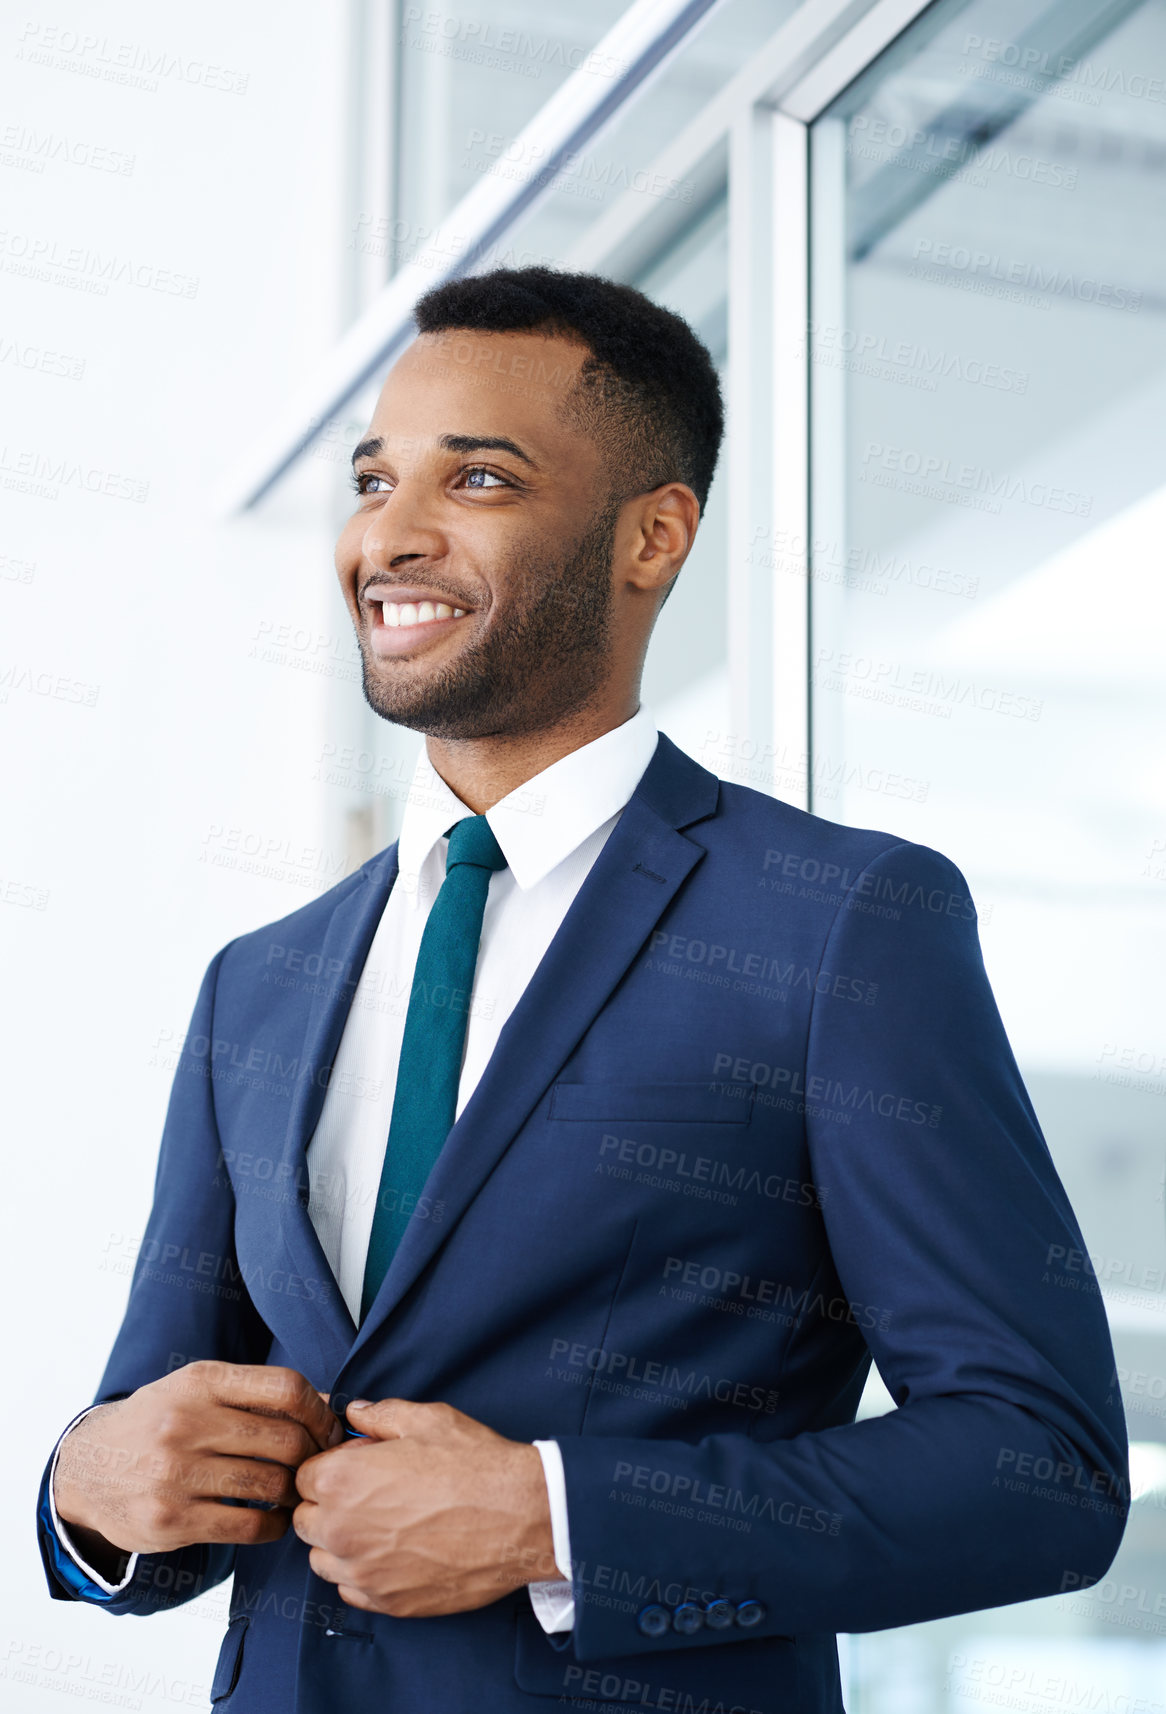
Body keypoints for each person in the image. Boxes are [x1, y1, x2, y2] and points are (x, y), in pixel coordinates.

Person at [38, 267, 1127, 1714]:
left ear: (651, 535)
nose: (390, 534)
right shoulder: (261, 980)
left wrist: (557, 1520)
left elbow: (1036, 1464)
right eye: (374, 478)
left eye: (477, 477)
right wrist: (89, 1481)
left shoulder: (836, 921)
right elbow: (175, 1441)